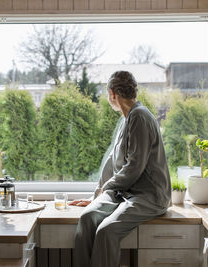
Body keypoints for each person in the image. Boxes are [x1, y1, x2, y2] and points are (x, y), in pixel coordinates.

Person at [73, 71, 171, 267]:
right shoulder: (126, 118)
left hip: (149, 197)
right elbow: (112, 162)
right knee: (87, 218)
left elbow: (134, 167)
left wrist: (106, 187)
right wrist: (97, 196)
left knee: (106, 231)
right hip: (125, 192)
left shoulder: (140, 117)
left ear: (113, 94)